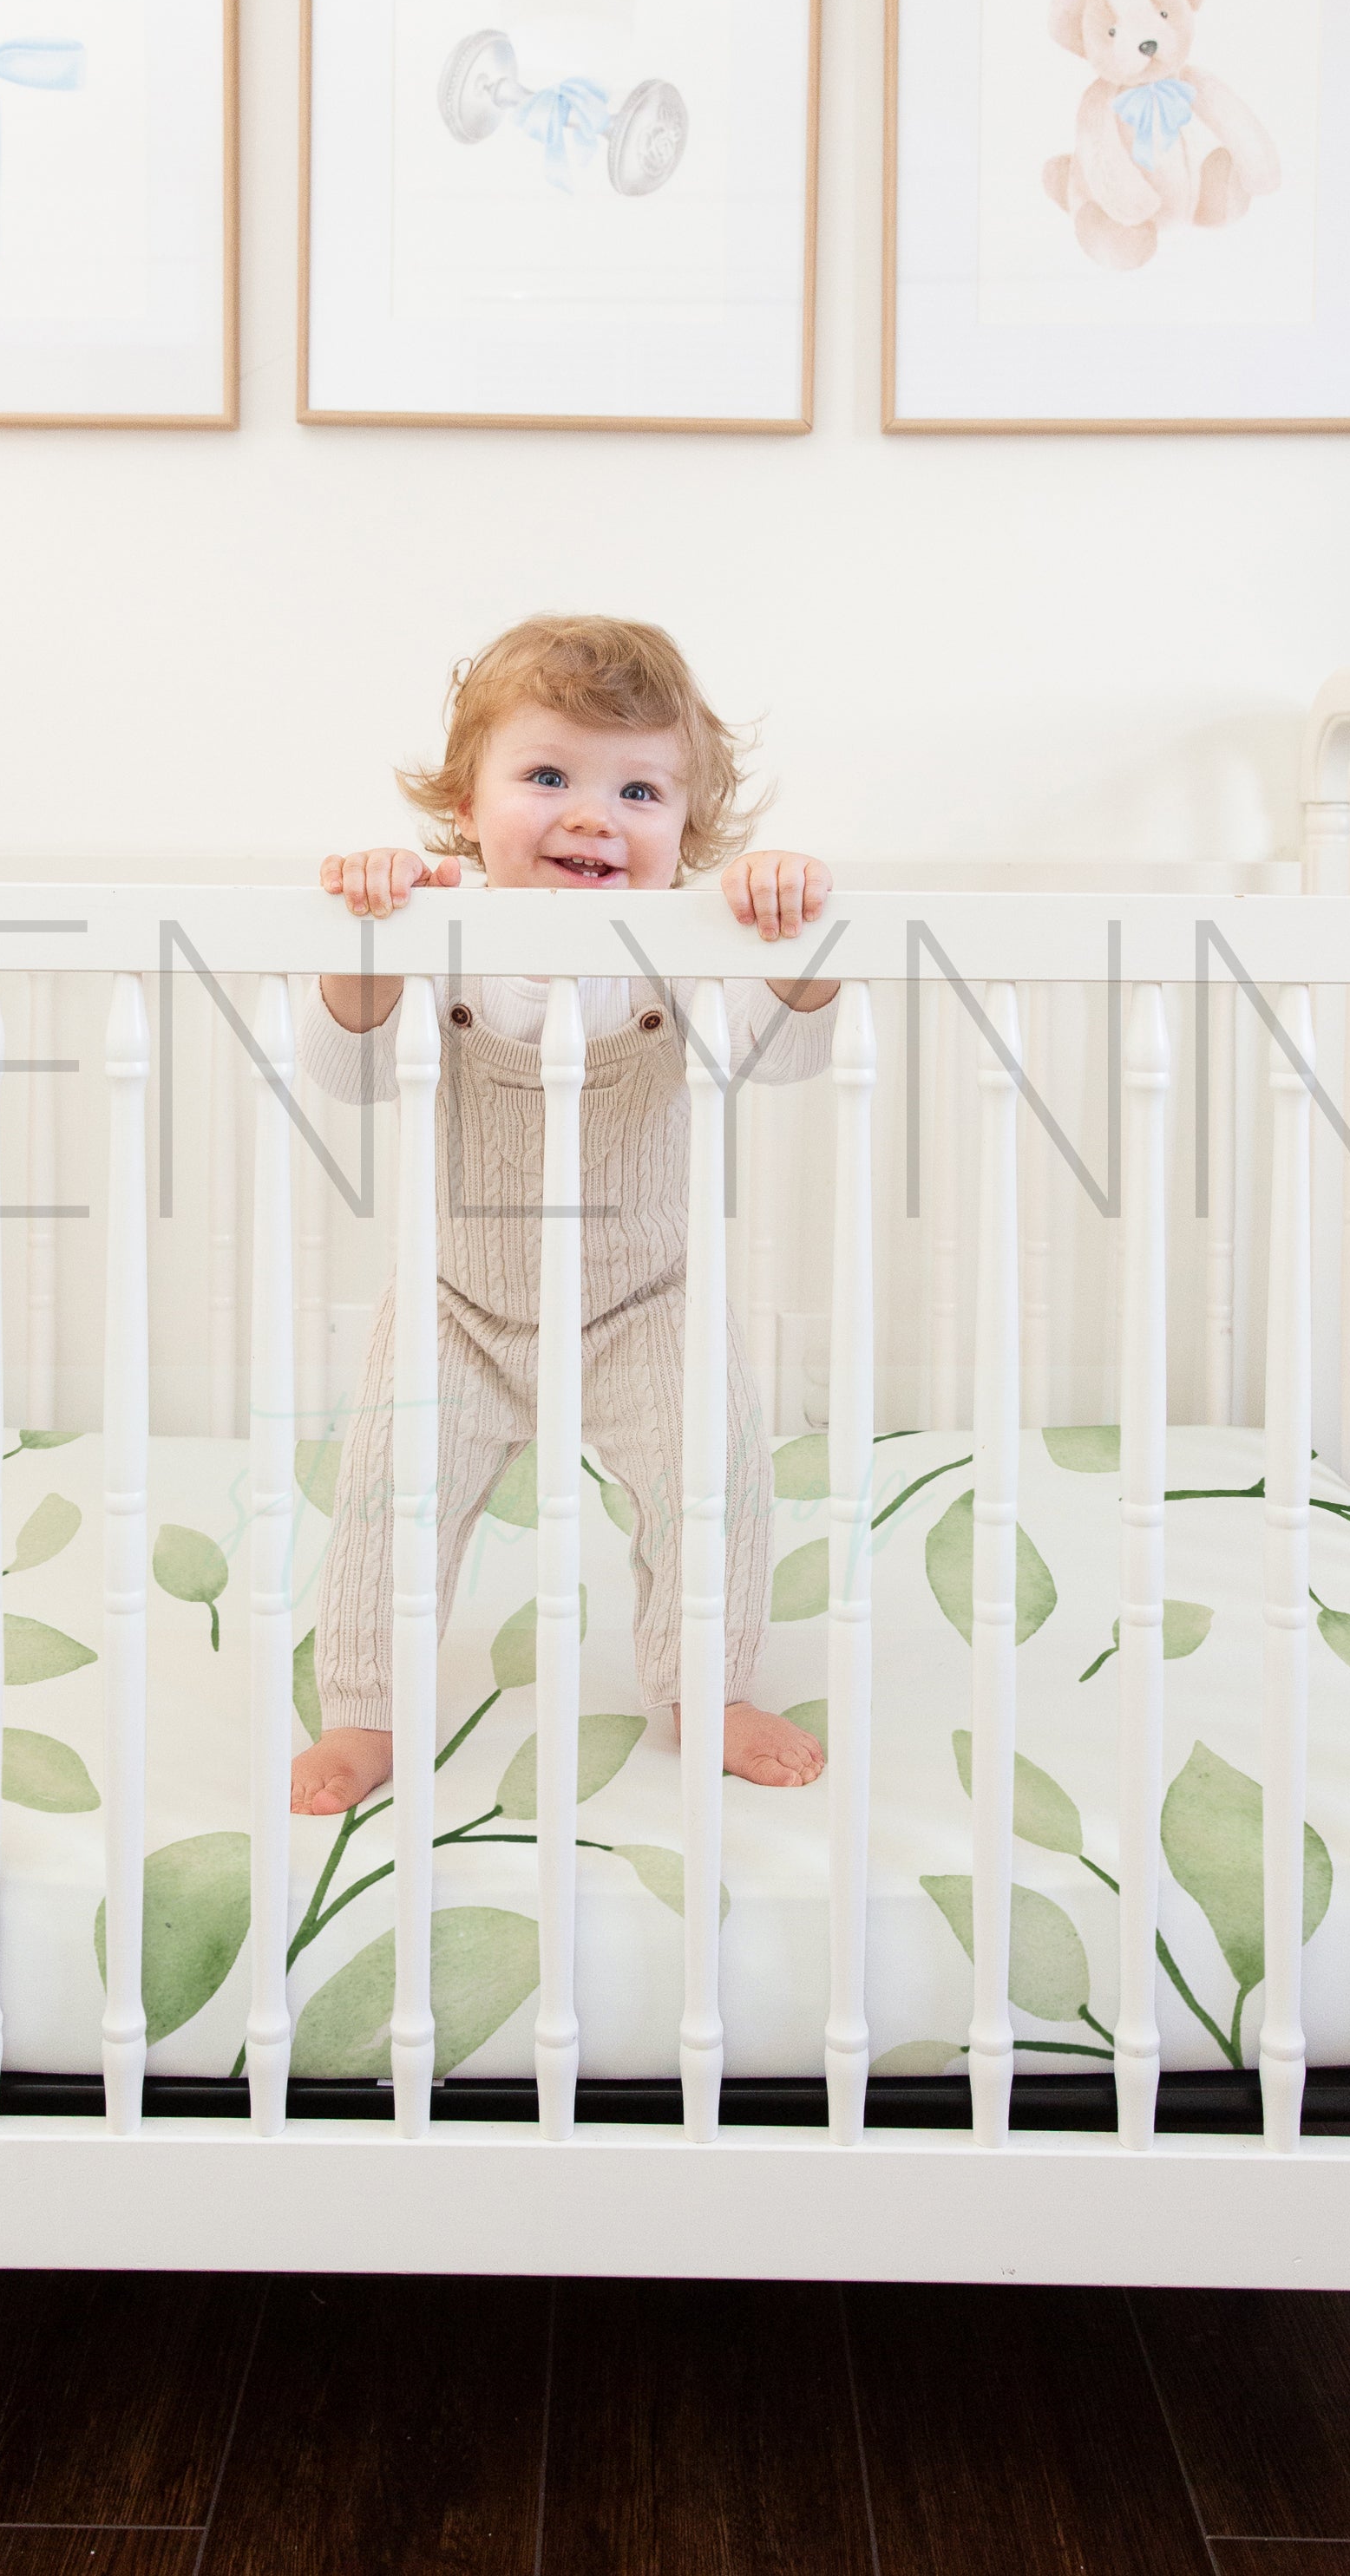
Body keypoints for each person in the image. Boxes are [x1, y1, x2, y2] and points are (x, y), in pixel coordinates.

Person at [289, 614, 839, 1818]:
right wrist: (370, 933)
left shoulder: (693, 948)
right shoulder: (437, 933)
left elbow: (788, 1051)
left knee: (716, 1480)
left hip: (651, 1298)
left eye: (639, 790)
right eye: (548, 777)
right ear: (464, 803)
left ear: (689, 834)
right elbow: (349, 1070)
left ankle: (708, 1689)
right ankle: (367, 1708)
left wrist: (798, 936)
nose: (593, 815)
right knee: (388, 1494)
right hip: (458, 1300)